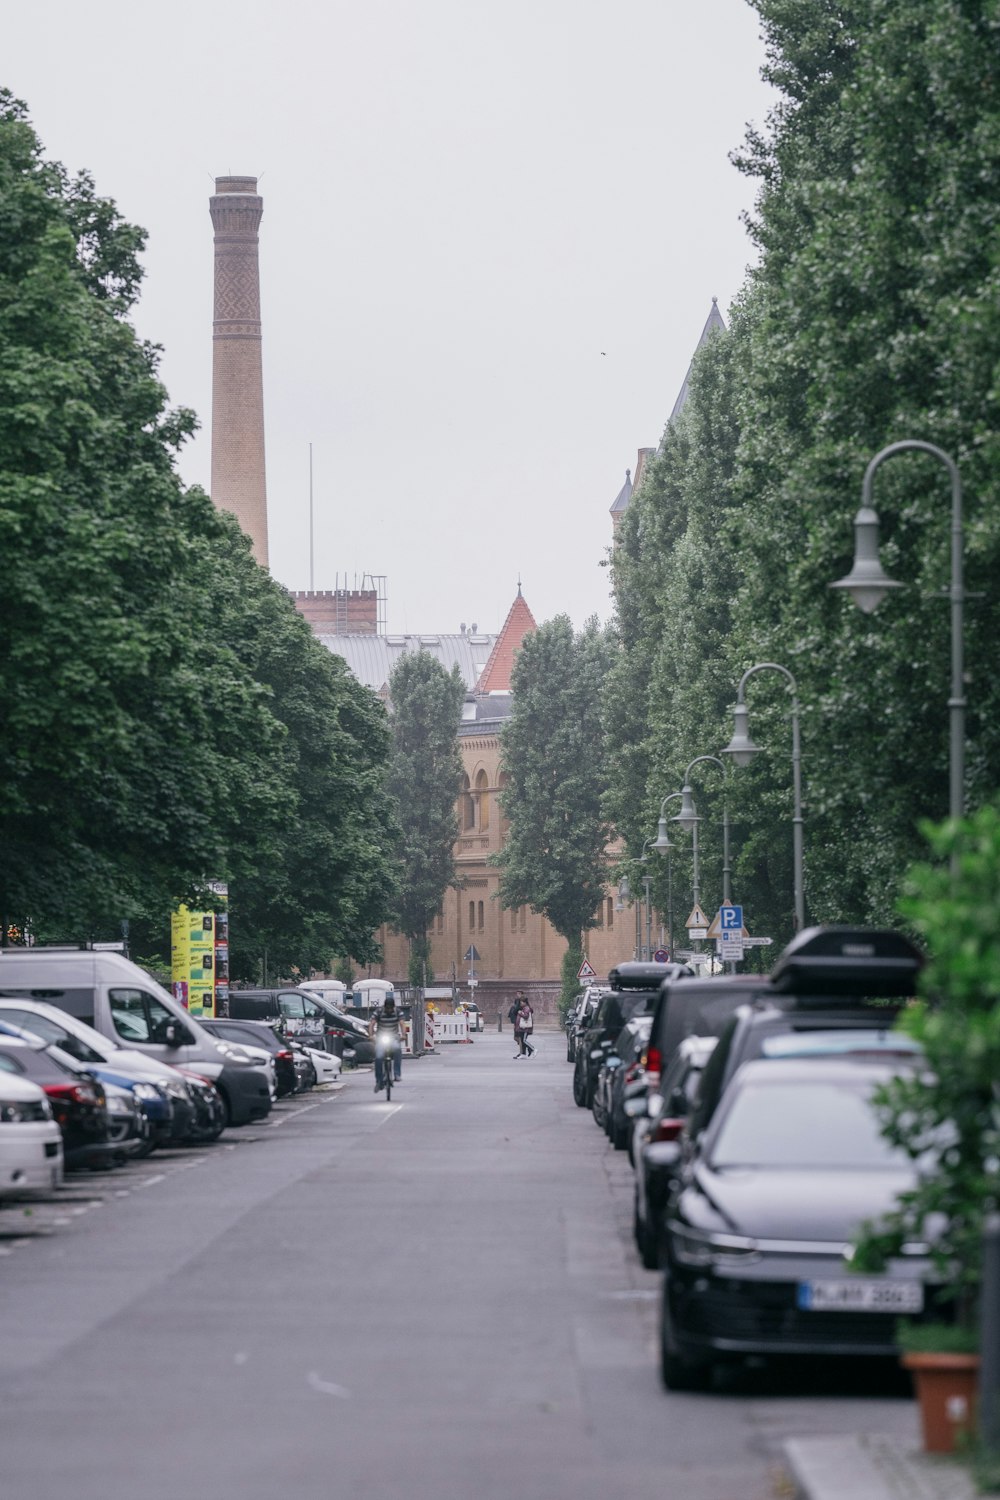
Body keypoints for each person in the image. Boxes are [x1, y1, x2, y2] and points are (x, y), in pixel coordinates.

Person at [369, 994, 403, 1092]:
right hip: (381, 1038)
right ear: (384, 1007)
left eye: (390, 1008)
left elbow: (402, 1023)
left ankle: (397, 1074)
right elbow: (372, 1023)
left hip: (393, 1038)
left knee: (397, 1050)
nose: (389, 1010)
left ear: (393, 1007)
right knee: (379, 1057)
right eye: (387, 1008)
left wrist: (404, 1034)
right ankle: (379, 1080)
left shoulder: (398, 1012)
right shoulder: (378, 1011)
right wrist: (371, 1035)